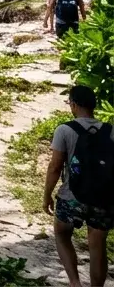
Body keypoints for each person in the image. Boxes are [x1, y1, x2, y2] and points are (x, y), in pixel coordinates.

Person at [45, 85, 114, 287]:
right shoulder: (111, 131)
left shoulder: (64, 130)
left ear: (73, 105)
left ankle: (75, 283)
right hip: (103, 199)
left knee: (61, 233)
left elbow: (55, 167)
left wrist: (47, 195)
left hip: (71, 197)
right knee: (97, 245)